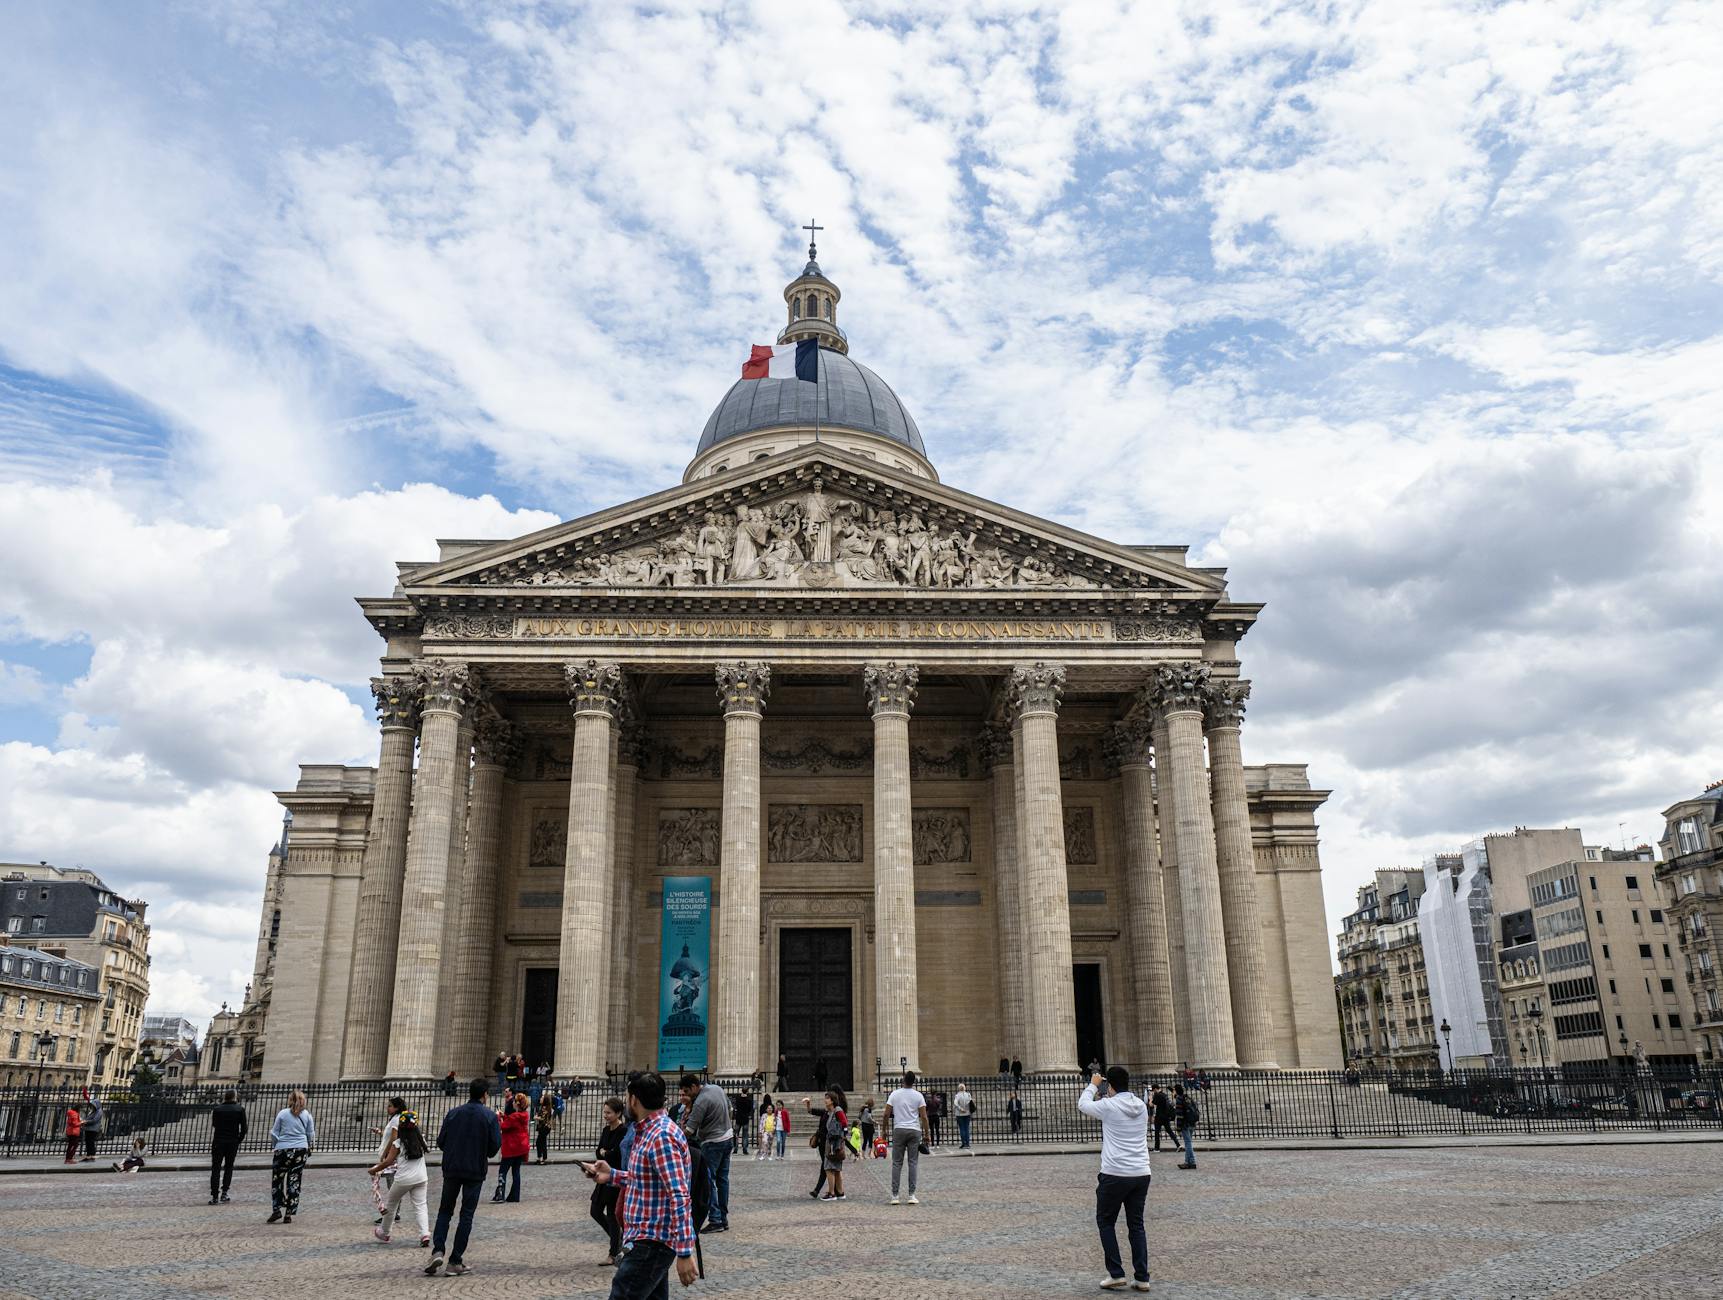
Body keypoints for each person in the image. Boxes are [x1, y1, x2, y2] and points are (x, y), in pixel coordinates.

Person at [585, 1071, 699, 1298]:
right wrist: (612, 1175)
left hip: (651, 1242)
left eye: (627, 1097)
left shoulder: (661, 1137)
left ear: (634, 1099)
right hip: (646, 1239)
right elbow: (647, 1179)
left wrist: (685, 1251)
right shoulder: (648, 1132)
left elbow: (679, 1194)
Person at [1080, 1067, 1152, 1292]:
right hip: (1141, 1172)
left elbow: (1083, 1104)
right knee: (1136, 1226)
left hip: (1115, 1173)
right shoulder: (1141, 1106)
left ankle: (1116, 1273)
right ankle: (1142, 1277)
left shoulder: (1109, 1106)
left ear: (1110, 1086)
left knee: (1106, 1222)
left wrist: (1093, 1084)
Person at [426, 1077, 503, 1277]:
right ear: (485, 1094)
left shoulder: (453, 1113)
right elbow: (494, 1147)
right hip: (474, 1171)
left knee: (445, 1211)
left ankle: (438, 1250)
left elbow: (441, 1142)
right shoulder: (489, 1117)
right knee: (466, 1215)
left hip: (452, 1169)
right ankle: (455, 1261)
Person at [678, 1072, 733, 1233]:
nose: (686, 1095)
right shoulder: (717, 1088)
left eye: (687, 1092)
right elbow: (730, 1108)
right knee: (723, 1180)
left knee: (710, 1181)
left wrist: (675, 1138)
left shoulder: (701, 1101)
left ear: (694, 1087)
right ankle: (723, 1218)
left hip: (712, 1142)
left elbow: (689, 1129)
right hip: (727, 1138)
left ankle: (715, 1219)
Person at [370, 1109, 431, 1247]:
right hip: (421, 1178)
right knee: (421, 1206)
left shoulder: (398, 1143)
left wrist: (374, 1170)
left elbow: (388, 1162)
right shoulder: (421, 1140)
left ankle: (384, 1232)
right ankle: (424, 1234)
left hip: (403, 1179)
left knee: (391, 1204)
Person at [589, 1097, 628, 1264]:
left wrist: (606, 1153)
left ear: (618, 1113)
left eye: (609, 1112)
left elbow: (617, 1154)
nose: (605, 1115)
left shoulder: (623, 1131)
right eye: (604, 1112)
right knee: (595, 1211)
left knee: (612, 1215)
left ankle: (613, 1252)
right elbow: (599, 1151)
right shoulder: (606, 1130)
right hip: (602, 1177)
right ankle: (617, 1238)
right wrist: (605, 1153)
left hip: (614, 1176)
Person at [267, 1090, 315, 1224]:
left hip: (282, 1150)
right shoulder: (307, 1115)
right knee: (294, 1181)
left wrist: (276, 1145)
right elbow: (310, 1134)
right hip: (300, 1150)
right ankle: (288, 1213)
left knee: (277, 1180)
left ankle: (276, 1209)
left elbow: (274, 1133)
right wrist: (308, 1146)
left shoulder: (282, 1113)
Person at [885, 1070, 930, 1206]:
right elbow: (924, 1117)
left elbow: (886, 1114)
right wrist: (927, 1134)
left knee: (896, 1163)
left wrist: (884, 1132)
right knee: (912, 1163)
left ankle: (895, 1195)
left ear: (903, 1080)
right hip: (914, 1130)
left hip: (899, 1129)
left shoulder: (894, 1094)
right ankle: (911, 1195)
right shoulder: (918, 1096)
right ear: (914, 1081)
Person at [806, 1088, 848, 1201]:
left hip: (833, 1143)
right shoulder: (827, 1112)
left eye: (827, 1098)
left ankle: (831, 1193)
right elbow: (812, 1111)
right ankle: (840, 1192)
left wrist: (843, 1135)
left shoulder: (837, 1110)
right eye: (825, 1098)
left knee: (829, 1168)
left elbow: (844, 1123)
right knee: (836, 1168)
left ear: (833, 1100)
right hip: (830, 1142)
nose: (825, 1100)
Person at [209, 1089, 248, 1204]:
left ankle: (215, 1196)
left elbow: (215, 1124)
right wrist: (238, 1140)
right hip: (232, 1142)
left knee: (215, 1168)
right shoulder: (240, 1109)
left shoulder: (217, 1109)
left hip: (218, 1141)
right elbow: (244, 1129)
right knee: (229, 1167)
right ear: (235, 1097)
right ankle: (225, 1192)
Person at [494, 1092, 530, 1202]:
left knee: (503, 1171)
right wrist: (503, 1115)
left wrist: (498, 1117)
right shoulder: (524, 1115)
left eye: (514, 1101)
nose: (512, 1103)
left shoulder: (515, 1117)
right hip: (520, 1147)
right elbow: (511, 1121)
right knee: (516, 1171)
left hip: (511, 1147)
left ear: (517, 1104)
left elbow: (503, 1126)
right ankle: (515, 1195)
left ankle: (500, 1195)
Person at [1173, 1083, 1201, 1170]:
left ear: (1176, 1091)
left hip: (1185, 1124)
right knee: (1188, 1143)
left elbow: (1179, 1115)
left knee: (1188, 1143)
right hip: (1192, 1123)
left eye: (1173, 1090)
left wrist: (1178, 1128)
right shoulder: (1187, 1097)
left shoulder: (1179, 1099)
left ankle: (1192, 1162)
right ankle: (1187, 1162)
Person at [80, 1086, 103, 1162]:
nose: (92, 1106)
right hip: (89, 1128)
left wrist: (85, 1122)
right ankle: (89, 1155)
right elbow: (90, 1118)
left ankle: (91, 1155)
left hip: (93, 1129)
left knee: (90, 1142)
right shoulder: (93, 1111)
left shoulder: (99, 1111)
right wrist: (84, 1120)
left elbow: (94, 1120)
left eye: (93, 1105)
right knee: (88, 1141)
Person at [1150, 1087, 1176, 1153]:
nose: (1153, 1092)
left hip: (1159, 1117)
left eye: (1153, 1090)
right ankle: (1178, 1144)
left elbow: (1151, 1105)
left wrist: (1150, 1098)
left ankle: (1157, 1148)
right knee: (1169, 1131)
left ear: (1155, 1089)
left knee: (1157, 1133)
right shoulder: (1164, 1094)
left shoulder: (1157, 1095)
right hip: (1166, 1116)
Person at [535, 1095, 558, 1165]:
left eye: (542, 1098)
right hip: (544, 1127)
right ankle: (542, 1158)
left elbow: (543, 1118)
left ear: (545, 1100)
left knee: (539, 1142)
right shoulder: (544, 1107)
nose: (540, 1099)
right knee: (542, 1142)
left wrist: (536, 1117)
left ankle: (541, 1158)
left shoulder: (545, 1108)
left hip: (544, 1128)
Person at [953, 1083, 976, 1150]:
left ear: (959, 1088)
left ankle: (963, 1143)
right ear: (964, 1088)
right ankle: (967, 1144)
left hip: (960, 1114)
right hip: (967, 1113)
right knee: (967, 1128)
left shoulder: (957, 1095)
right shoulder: (968, 1094)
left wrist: (960, 1109)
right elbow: (970, 1103)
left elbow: (955, 1103)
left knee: (962, 1129)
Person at [732, 1090, 754, 1157]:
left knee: (736, 1134)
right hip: (745, 1119)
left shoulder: (738, 1098)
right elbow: (750, 1109)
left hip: (738, 1118)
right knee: (745, 1135)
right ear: (747, 1092)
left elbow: (735, 1106)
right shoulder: (748, 1099)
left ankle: (735, 1149)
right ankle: (744, 1149)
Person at [756, 1094, 776, 1159]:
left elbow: (775, 1122)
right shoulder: (764, 1115)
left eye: (770, 1108)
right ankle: (763, 1154)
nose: (769, 1109)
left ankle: (769, 1154)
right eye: (768, 1108)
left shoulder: (762, 1106)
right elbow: (762, 1122)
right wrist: (761, 1130)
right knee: (764, 1142)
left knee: (770, 1143)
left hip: (771, 1130)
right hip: (765, 1129)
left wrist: (774, 1129)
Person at [62, 1100, 82, 1164]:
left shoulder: (71, 1113)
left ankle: (67, 1159)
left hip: (70, 1131)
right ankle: (69, 1158)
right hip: (74, 1132)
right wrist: (81, 1122)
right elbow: (75, 1123)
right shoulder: (74, 1114)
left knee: (70, 1145)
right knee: (75, 1145)